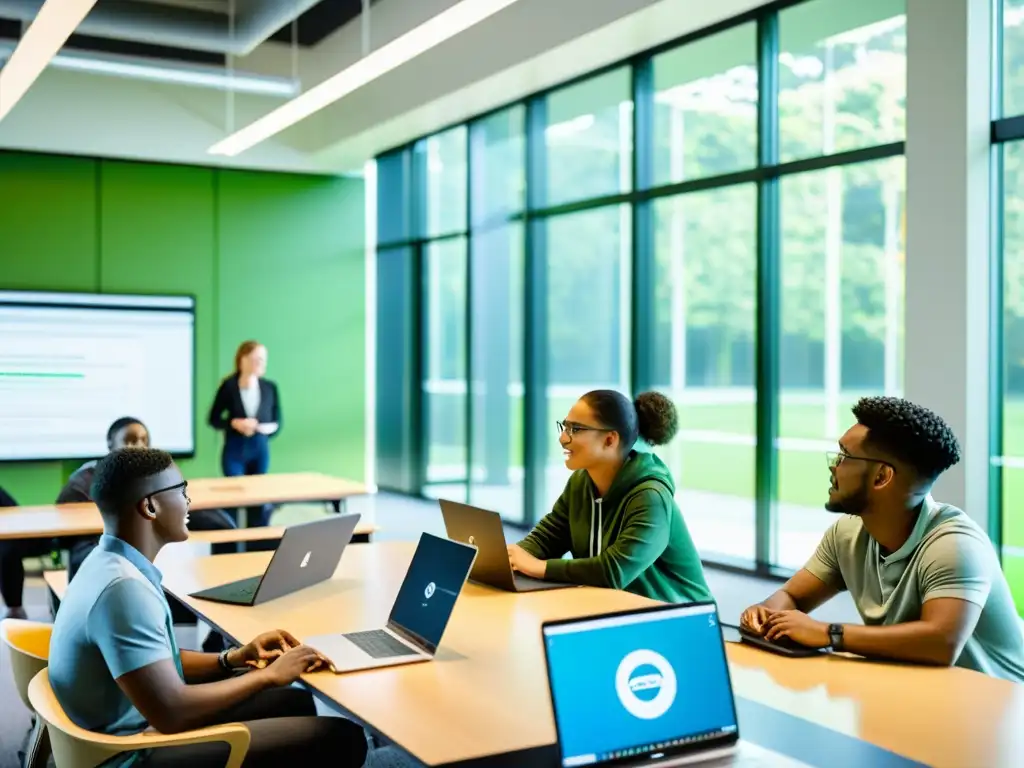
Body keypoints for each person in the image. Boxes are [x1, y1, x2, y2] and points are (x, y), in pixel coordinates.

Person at [48, 448, 368, 767]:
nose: (189, 502)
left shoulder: (106, 563)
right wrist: (267, 676)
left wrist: (233, 659)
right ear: (150, 506)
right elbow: (173, 713)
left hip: (127, 724)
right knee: (343, 737)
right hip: (128, 753)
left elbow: (154, 662)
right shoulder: (124, 590)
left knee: (294, 699)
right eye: (181, 490)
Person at [740, 396, 1024, 682]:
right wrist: (765, 613)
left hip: (999, 710)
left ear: (882, 477)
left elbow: (941, 642)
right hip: (923, 696)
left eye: (844, 456)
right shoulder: (847, 533)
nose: (833, 467)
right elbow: (792, 596)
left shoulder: (955, 545)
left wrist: (828, 633)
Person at [507, 390, 712, 604]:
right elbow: (546, 539)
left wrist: (538, 567)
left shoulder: (651, 496)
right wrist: (508, 558)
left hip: (682, 623)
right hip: (617, 613)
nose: (563, 438)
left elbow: (614, 572)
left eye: (575, 429)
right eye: (564, 426)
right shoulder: (581, 483)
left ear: (610, 439)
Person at [208, 341, 281, 528]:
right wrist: (234, 423)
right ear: (243, 359)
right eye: (257, 359)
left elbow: (277, 422)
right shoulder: (229, 386)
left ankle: (256, 546)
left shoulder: (270, 387)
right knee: (234, 498)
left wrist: (259, 428)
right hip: (234, 450)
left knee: (258, 501)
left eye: (263, 359)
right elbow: (213, 418)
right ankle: (230, 545)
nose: (261, 363)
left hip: (259, 449)